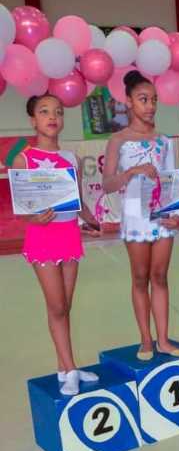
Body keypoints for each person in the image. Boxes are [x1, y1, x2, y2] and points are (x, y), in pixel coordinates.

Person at [12, 94, 100, 395]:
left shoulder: (70, 159)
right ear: (33, 119)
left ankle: (65, 367)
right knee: (57, 305)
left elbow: (78, 201)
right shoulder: (25, 158)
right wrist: (34, 219)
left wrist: (93, 221)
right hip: (43, 237)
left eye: (58, 112)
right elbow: (23, 208)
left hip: (68, 235)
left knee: (65, 306)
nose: (53, 117)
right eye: (45, 112)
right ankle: (70, 368)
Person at [103, 70, 179, 360]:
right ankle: (146, 339)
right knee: (140, 277)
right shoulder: (118, 140)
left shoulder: (164, 141)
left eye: (153, 100)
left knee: (160, 276)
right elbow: (107, 183)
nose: (150, 105)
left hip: (162, 215)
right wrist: (132, 172)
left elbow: (173, 181)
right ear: (129, 102)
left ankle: (164, 339)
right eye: (143, 99)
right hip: (134, 214)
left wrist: (177, 215)